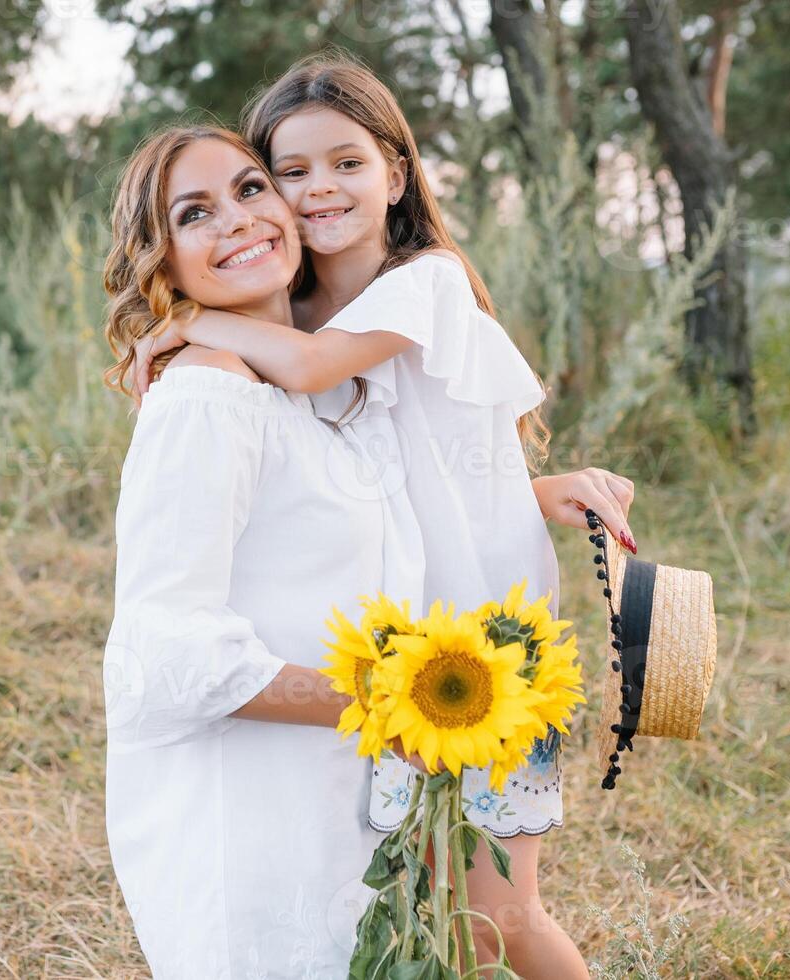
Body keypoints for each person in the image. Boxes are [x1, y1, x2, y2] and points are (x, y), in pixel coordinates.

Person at [131, 53, 638, 978]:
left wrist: (189, 324)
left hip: (492, 646)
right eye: (291, 173)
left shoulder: (419, 282)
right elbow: (398, 483)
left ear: (397, 174)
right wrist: (536, 491)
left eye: (348, 163)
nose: (318, 189)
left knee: (501, 917)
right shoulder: (298, 316)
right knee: (431, 904)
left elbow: (317, 375)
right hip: (414, 645)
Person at [101, 123, 430, 978]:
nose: (240, 220)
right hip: (246, 821)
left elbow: (384, 524)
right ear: (162, 261)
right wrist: (386, 705)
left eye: (251, 189)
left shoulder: (302, 391)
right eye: (196, 213)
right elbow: (169, 650)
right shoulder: (206, 395)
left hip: (331, 804)